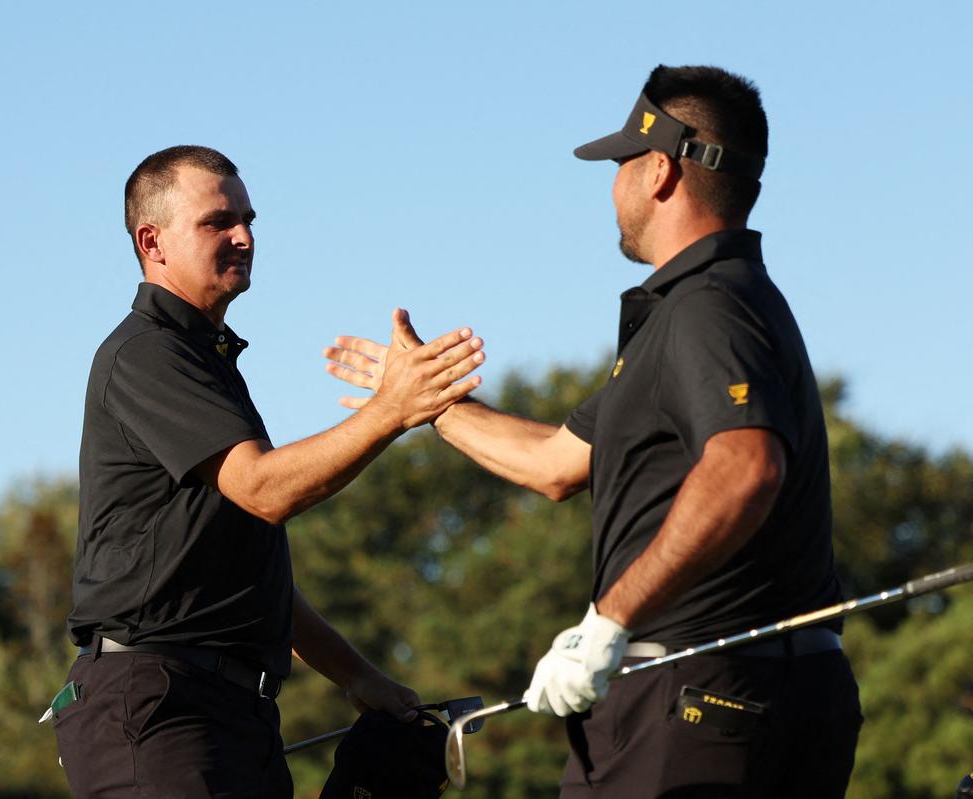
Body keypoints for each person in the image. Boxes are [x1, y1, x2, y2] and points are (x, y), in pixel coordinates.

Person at [325, 66, 862, 797]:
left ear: (660, 172)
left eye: (621, 164)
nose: (613, 186)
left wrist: (609, 620)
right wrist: (418, 401)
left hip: (700, 697)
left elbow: (744, 466)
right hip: (732, 695)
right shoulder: (707, 308)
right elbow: (554, 464)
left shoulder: (708, 305)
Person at [56, 145, 485, 799]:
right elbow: (265, 488)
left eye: (248, 219)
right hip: (158, 706)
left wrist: (357, 675)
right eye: (217, 221)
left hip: (231, 711)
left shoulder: (206, 359)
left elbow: (237, 573)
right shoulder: (148, 353)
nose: (244, 236)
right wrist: (392, 411)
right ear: (153, 240)